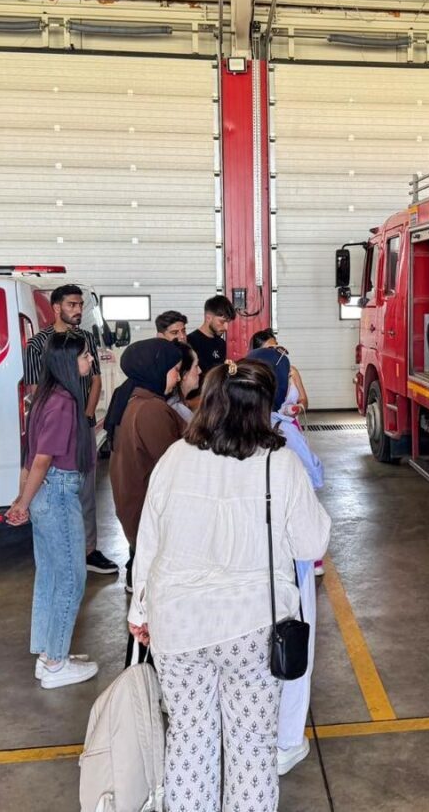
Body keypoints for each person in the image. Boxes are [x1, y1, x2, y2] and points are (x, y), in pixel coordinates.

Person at [127, 360, 330, 812]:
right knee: (252, 748)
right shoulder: (281, 464)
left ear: (210, 404)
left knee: (188, 739)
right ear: (264, 408)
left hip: (178, 624)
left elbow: (149, 542)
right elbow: (312, 541)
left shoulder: (175, 458)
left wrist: (140, 612)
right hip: (252, 624)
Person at [246, 346, 324, 776]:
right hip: (288, 558)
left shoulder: (221, 431)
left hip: (246, 558)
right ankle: (287, 740)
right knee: (294, 641)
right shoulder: (282, 433)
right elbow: (314, 477)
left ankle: (253, 732)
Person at [5, 332, 99, 689]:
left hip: (45, 492)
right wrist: (23, 504)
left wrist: (22, 499)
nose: (90, 361)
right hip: (58, 494)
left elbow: (30, 457)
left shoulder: (44, 397)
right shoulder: (64, 403)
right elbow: (42, 459)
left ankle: (49, 655)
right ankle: (57, 663)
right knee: (72, 579)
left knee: (50, 577)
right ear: (67, 363)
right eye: (85, 356)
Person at [24, 284, 118, 577]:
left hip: (82, 426)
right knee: (56, 488)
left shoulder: (86, 338)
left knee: (86, 491)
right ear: (56, 308)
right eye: (72, 305)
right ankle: (62, 554)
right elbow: (34, 389)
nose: (78, 310)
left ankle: (89, 550)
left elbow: (96, 382)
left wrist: (85, 416)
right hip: (55, 426)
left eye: (80, 305)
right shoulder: (38, 344)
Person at [105, 338, 185, 593]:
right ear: (157, 369)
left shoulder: (134, 399)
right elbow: (177, 466)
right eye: (176, 370)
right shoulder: (151, 410)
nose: (179, 377)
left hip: (137, 512)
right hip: (151, 517)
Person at [249, 329, 308, 415]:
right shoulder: (250, 376)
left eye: (276, 346)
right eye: (269, 349)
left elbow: (304, 400)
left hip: (289, 425)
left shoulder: (292, 371)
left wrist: (298, 408)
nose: (275, 351)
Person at [186, 295, 235, 380]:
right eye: (222, 322)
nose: (226, 328)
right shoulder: (190, 342)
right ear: (208, 317)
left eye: (228, 322)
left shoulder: (221, 343)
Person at [167, 342, 200, 424]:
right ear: (184, 374)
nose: (199, 371)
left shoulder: (176, 404)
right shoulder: (178, 410)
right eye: (196, 366)